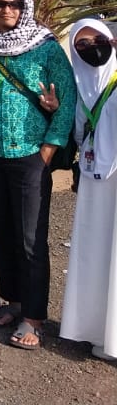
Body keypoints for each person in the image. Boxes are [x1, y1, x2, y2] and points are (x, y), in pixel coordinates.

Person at [0, 0, 77, 350]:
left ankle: (34, 316)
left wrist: (48, 149)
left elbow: (66, 100)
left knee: (29, 239)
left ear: (24, 9)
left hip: (29, 154)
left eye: (14, 5)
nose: (6, 10)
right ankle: (13, 301)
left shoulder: (45, 48)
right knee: (1, 230)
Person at [60, 19, 117, 360]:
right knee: (97, 253)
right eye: (81, 44)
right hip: (95, 181)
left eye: (97, 39)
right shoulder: (80, 88)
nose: (90, 47)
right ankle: (99, 332)